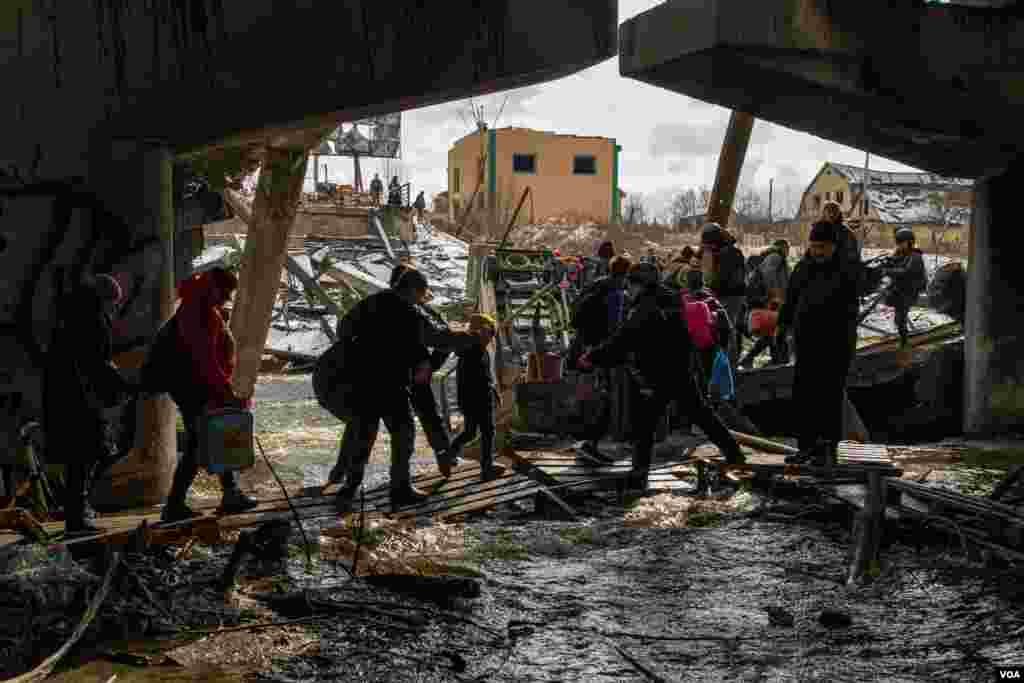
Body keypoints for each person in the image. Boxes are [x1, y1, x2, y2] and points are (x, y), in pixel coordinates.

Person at [578, 263, 745, 490]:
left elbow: (623, 340)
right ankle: (734, 454)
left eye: (632, 285)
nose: (629, 290)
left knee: (644, 425)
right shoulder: (673, 300)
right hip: (682, 369)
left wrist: (593, 357)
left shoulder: (644, 308)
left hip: (657, 374)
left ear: (640, 284)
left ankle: (639, 474)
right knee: (703, 415)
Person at [141, 268, 258, 523]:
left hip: (197, 385)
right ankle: (175, 505)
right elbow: (204, 359)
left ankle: (230, 493)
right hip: (194, 387)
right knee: (198, 443)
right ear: (211, 286)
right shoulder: (196, 313)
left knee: (218, 434)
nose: (227, 298)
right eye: (224, 292)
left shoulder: (199, 307)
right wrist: (226, 392)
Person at [321, 267, 440, 510]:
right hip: (392, 384)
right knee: (404, 434)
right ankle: (400, 488)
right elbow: (436, 338)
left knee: (361, 437)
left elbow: (343, 330)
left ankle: (348, 490)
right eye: (420, 294)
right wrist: (466, 338)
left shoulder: (370, 302)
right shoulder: (409, 311)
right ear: (415, 291)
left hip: (362, 382)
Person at [45, 274, 135, 534]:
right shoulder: (91, 320)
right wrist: (121, 385)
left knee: (81, 459)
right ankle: (76, 521)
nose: (114, 309)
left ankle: (77, 514)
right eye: (113, 303)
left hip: (66, 399)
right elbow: (96, 363)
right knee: (85, 458)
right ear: (104, 300)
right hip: (82, 402)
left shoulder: (70, 316)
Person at [776, 222, 860, 465]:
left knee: (829, 397)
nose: (817, 251)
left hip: (836, 345)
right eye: (813, 246)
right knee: (804, 395)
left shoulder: (847, 270)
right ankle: (806, 447)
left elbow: (851, 309)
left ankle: (827, 450)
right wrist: (782, 328)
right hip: (806, 344)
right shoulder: (803, 268)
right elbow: (790, 301)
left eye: (822, 247)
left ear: (834, 246)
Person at [573, 255, 632, 463]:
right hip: (602, 350)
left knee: (596, 395)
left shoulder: (598, 284)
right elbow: (615, 327)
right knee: (606, 397)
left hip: (587, 345)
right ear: (626, 273)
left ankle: (588, 440)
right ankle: (591, 444)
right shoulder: (616, 291)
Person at [449, 314, 501, 481]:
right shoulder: (473, 349)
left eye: (493, 333)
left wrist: (494, 391)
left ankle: (450, 453)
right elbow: (476, 379)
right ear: (481, 332)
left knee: (471, 432)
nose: (491, 337)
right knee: (488, 431)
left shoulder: (477, 349)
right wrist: (489, 394)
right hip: (477, 398)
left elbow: (485, 376)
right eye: (490, 332)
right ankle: (487, 468)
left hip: (472, 398)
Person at [698, 223, 746, 366]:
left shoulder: (729, 253)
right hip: (725, 295)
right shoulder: (722, 251)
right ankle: (726, 362)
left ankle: (729, 364)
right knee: (724, 329)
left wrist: (710, 287)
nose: (707, 248)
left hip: (730, 296)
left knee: (727, 328)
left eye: (708, 245)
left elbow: (722, 278)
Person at [739, 239, 791, 367]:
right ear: (783, 248)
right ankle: (778, 360)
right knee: (777, 329)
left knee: (772, 331)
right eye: (787, 248)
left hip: (767, 299)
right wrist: (776, 296)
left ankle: (774, 359)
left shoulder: (771, 257)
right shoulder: (775, 256)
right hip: (769, 300)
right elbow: (769, 275)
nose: (788, 252)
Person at [884, 228, 927, 348]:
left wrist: (888, 271)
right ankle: (903, 339)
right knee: (899, 319)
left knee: (900, 319)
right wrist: (887, 262)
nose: (899, 246)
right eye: (898, 243)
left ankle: (904, 343)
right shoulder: (900, 253)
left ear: (909, 242)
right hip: (899, 290)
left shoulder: (915, 256)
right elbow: (893, 262)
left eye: (901, 243)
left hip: (910, 291)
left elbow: (906, 272)